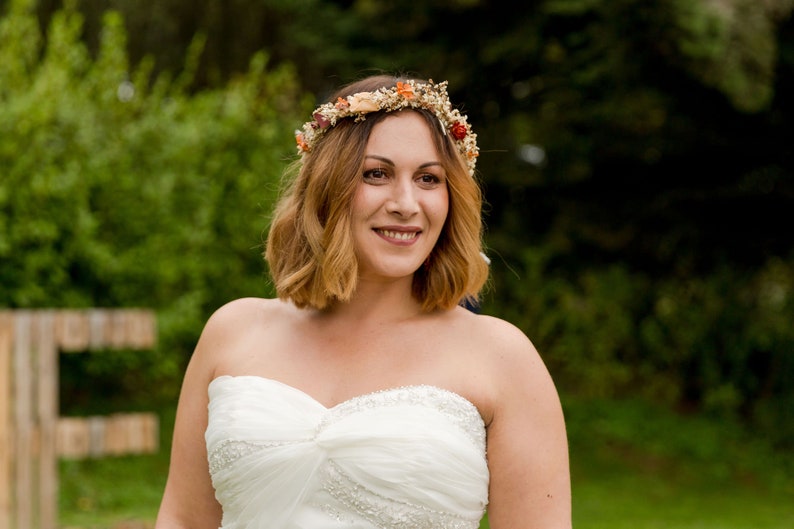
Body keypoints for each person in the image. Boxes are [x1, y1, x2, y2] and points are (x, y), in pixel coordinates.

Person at [155, 75, 571, 529]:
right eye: (377, 174)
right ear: (327, 186)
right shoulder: (231, 332)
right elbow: (181, 518)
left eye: (429, 179)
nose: (406, 203)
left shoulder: (502, 357)